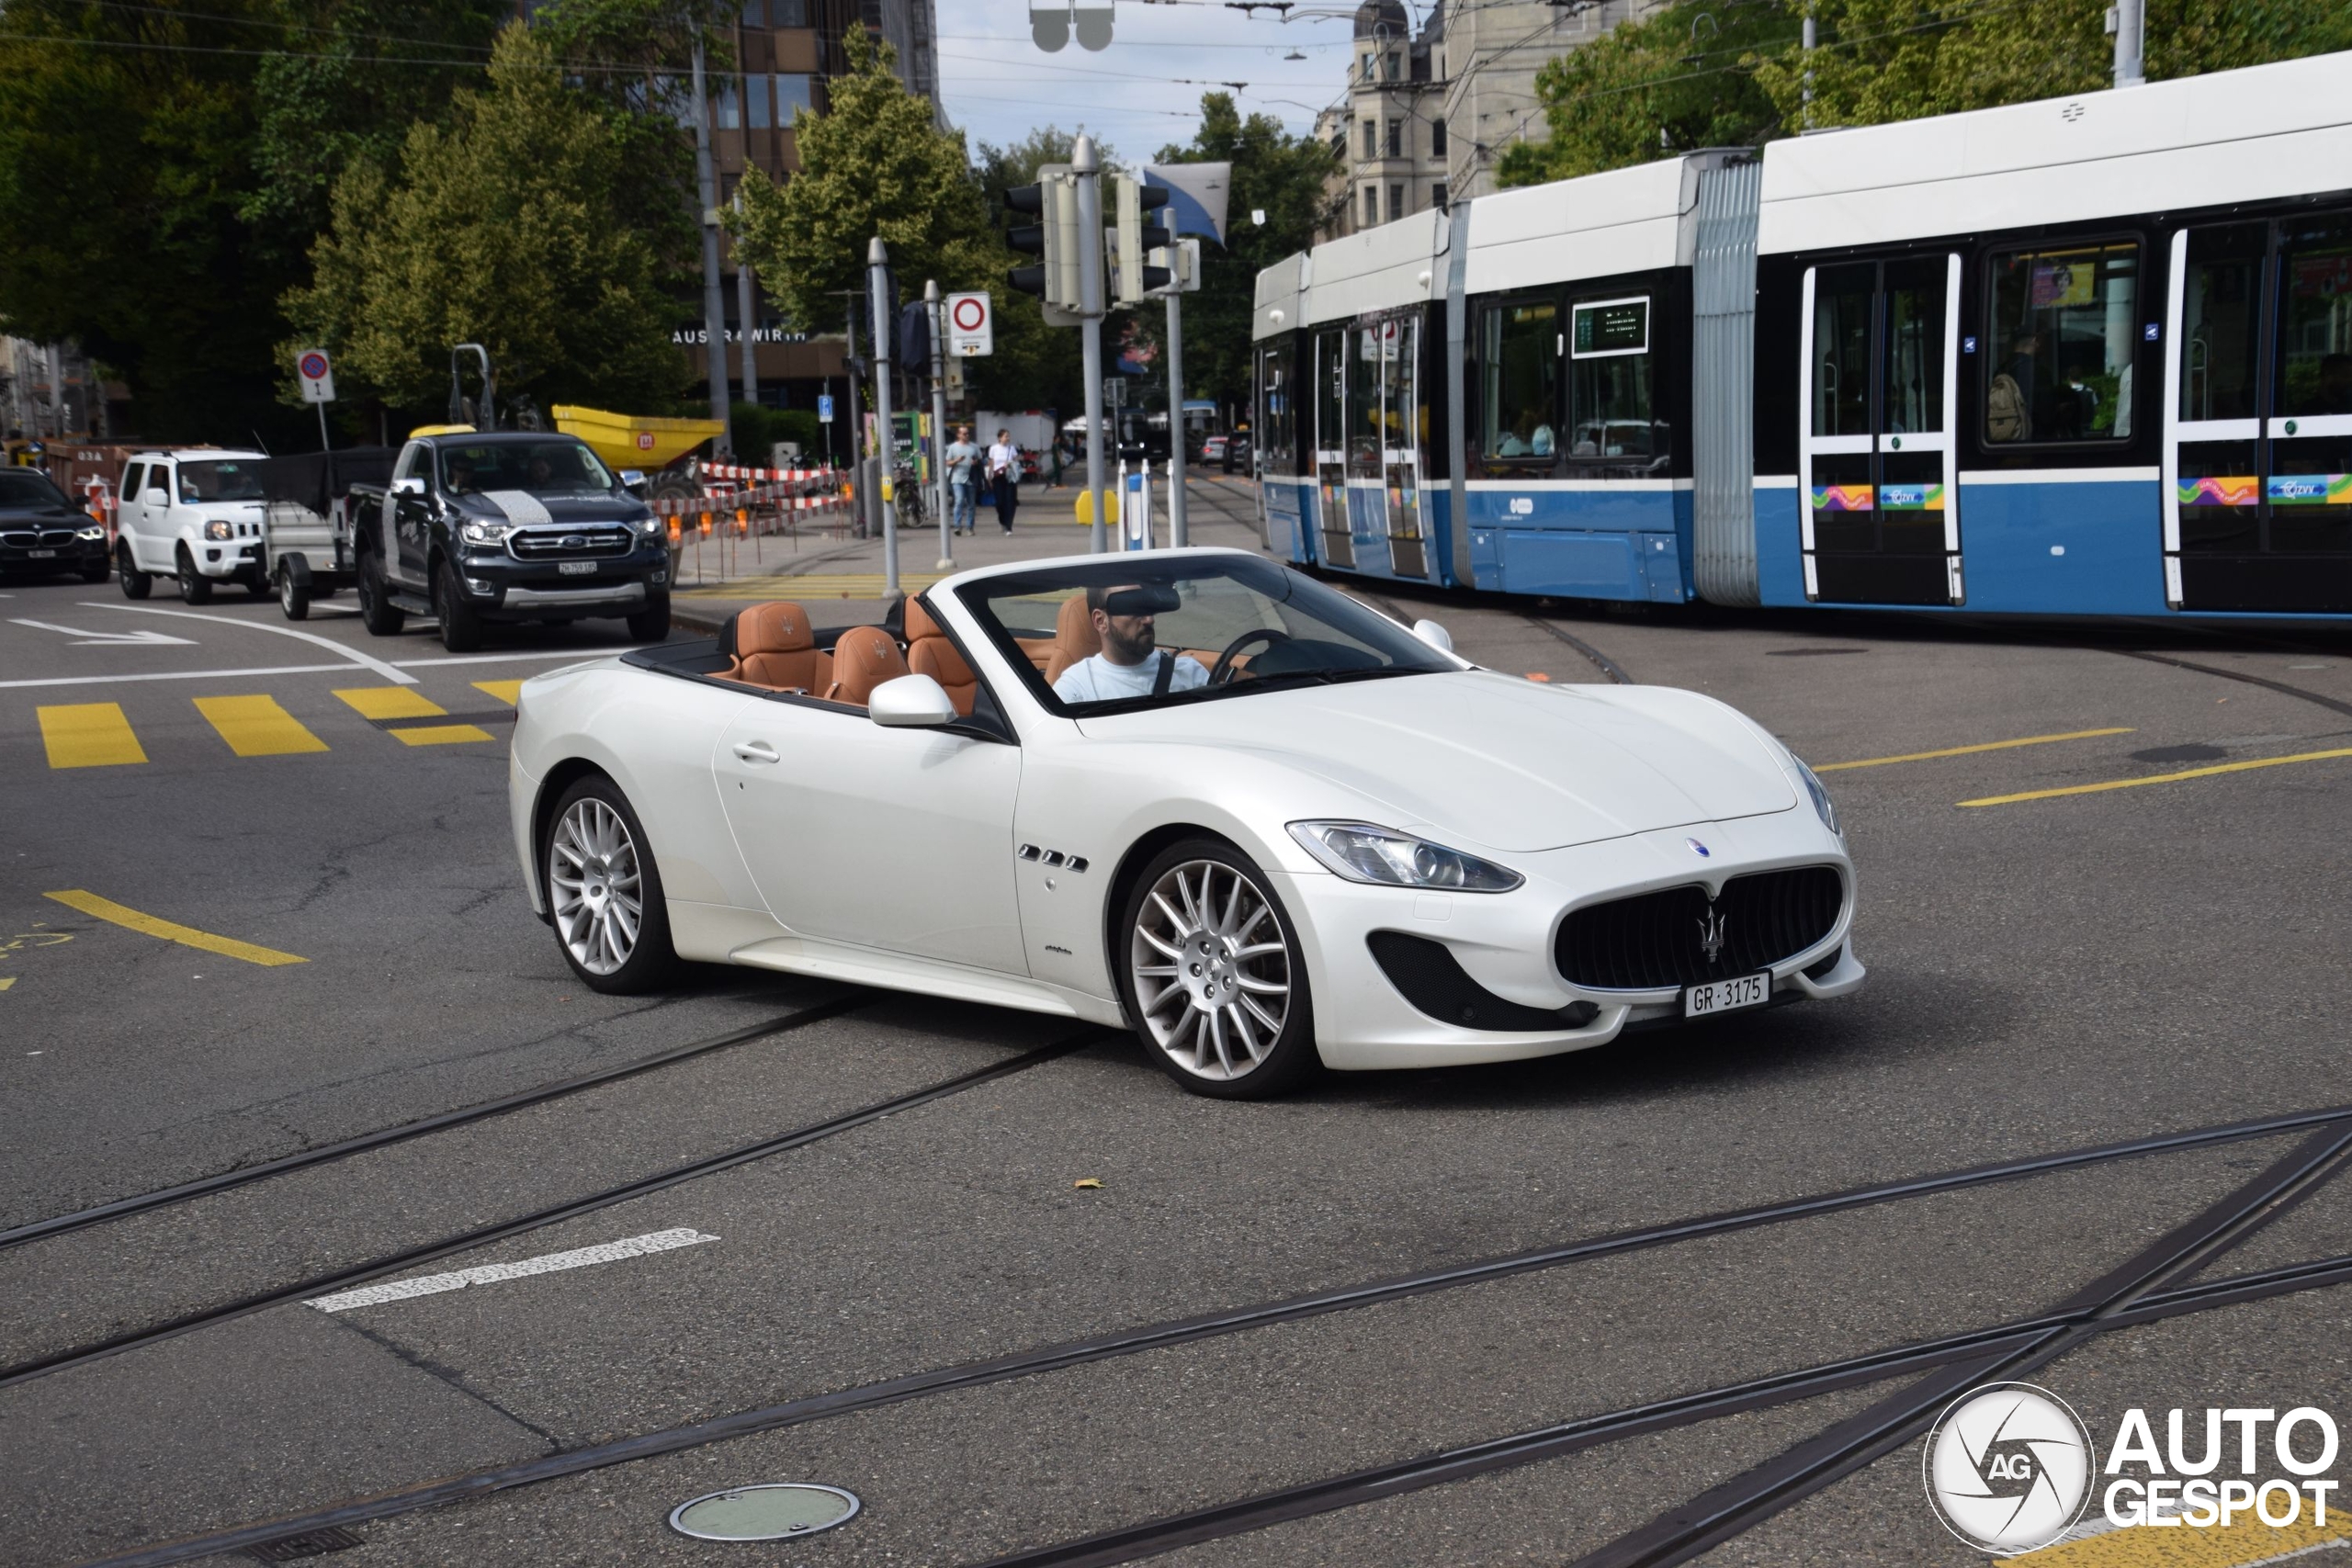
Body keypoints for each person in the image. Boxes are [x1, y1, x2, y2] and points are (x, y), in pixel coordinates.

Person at [1052, 582, 1210, 704]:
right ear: (1101, 621)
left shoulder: (1190, 674)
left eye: (1147, 606)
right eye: (1133, 608)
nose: (1149, 619)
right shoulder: (1077, 688)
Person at [944, 424, 981, 535]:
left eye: (968, 433)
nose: (967, 435)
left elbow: (980, 460)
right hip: (957, 478)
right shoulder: (953, 447)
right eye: (964, 434)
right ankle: (957, 526)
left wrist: (975, 463)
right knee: (959, 501)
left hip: (971, 478)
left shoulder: (974, 447)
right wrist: (957, 460)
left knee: (971, 504)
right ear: (959, 435)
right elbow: (948, 463)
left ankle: (970, 527)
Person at [988, 428, 1021, 534]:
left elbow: (1017, 461)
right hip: (998, 477)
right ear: (1000, 438)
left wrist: (1011, 463)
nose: (1008, 438)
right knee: (1000, 502)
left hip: (1010, 477)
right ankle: (1002, 521)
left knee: (1010, 501)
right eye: (1006, 436)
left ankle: (1009, 526)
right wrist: (989, 477)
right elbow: (991, 463)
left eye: (1008, 436)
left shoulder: (1012, 448)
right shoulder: (994, 448)